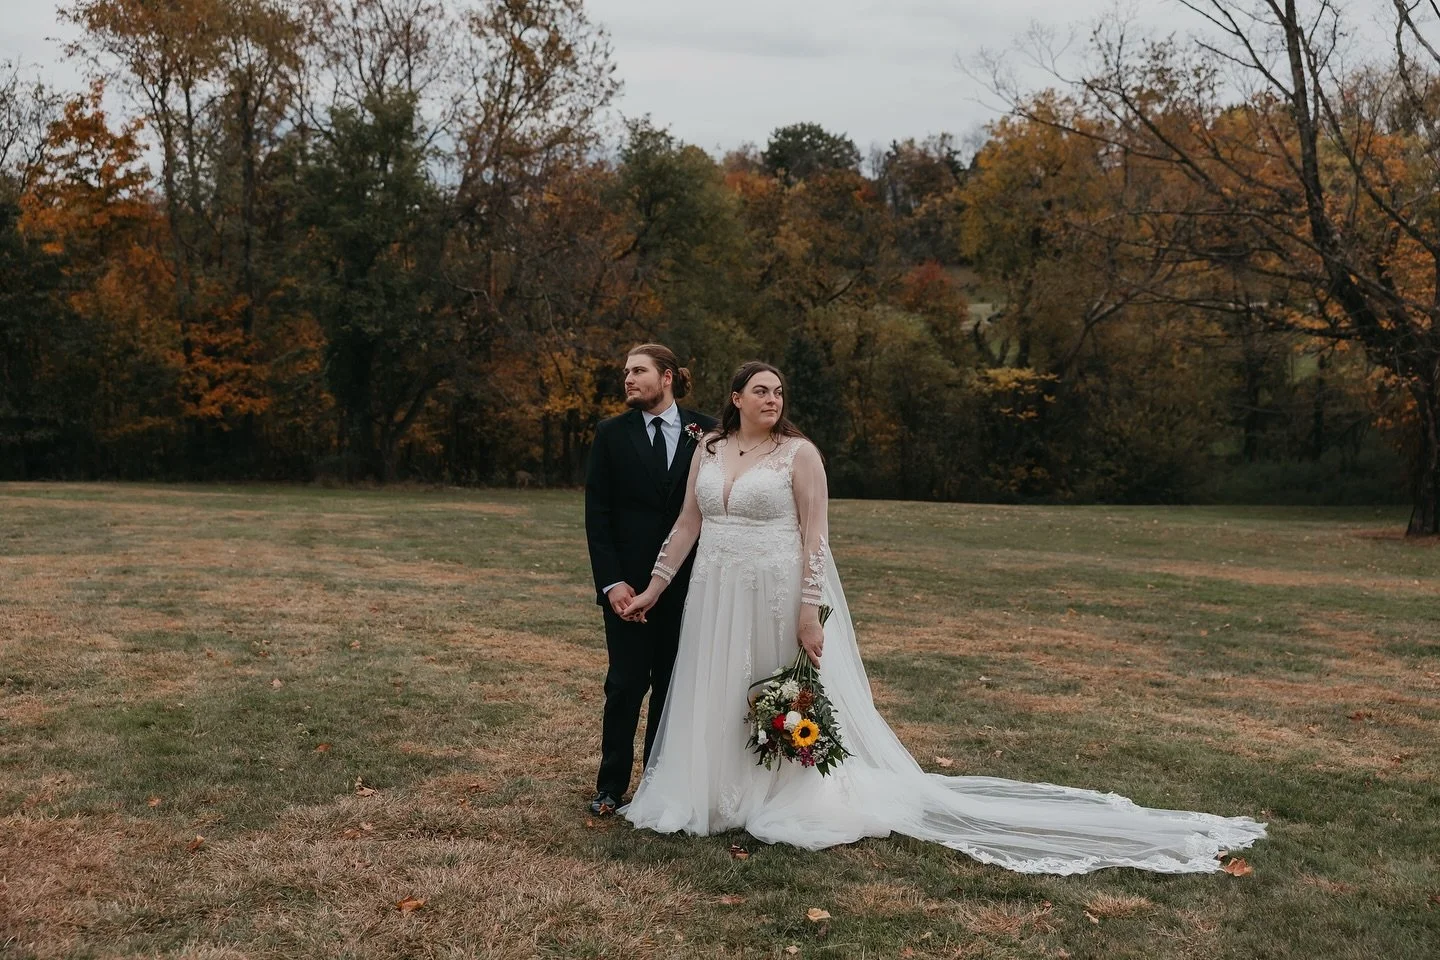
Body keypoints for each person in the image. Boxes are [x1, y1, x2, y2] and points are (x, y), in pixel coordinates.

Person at [618, 361, 1267, 874]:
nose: (772, 400)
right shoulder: (708, 452)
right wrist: (652, 589)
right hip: (713, 592)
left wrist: (810, 613)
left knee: (777, 692)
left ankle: (783, 794)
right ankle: (714, 792)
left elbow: (816, 538)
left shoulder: (800, 455)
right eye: (761, 390)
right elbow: (686, 526)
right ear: (735, 398)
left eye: (779, 391)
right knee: (719, 688)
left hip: (773, 592)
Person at [583, 344, 717, 816]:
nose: (628, 379)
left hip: (691, 585)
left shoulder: (710, 432)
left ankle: (659, 785)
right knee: (624, 685)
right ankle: (610, 785)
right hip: (628, 590)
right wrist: (612, 583)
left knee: (673, 687)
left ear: (667, 378)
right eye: (625, 372)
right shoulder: (611, 435)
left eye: (638, 371)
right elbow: (597, 516)